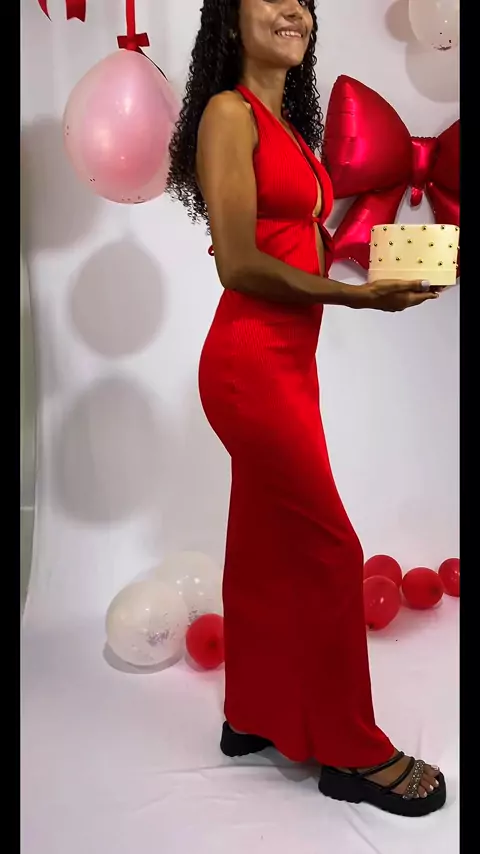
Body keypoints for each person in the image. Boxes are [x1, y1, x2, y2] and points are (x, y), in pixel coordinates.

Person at [167, 0, 446, 817]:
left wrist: (382, 276)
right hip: (249, 364)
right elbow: (239, 264)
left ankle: (251, 716)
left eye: (305, 0)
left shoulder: (287, 127)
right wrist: (355, 300)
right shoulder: (228, 115)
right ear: (231, 17)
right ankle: (353, 754)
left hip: (288, 365)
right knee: (330, 549)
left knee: (262, 545)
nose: (295, 8)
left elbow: (299, 244)